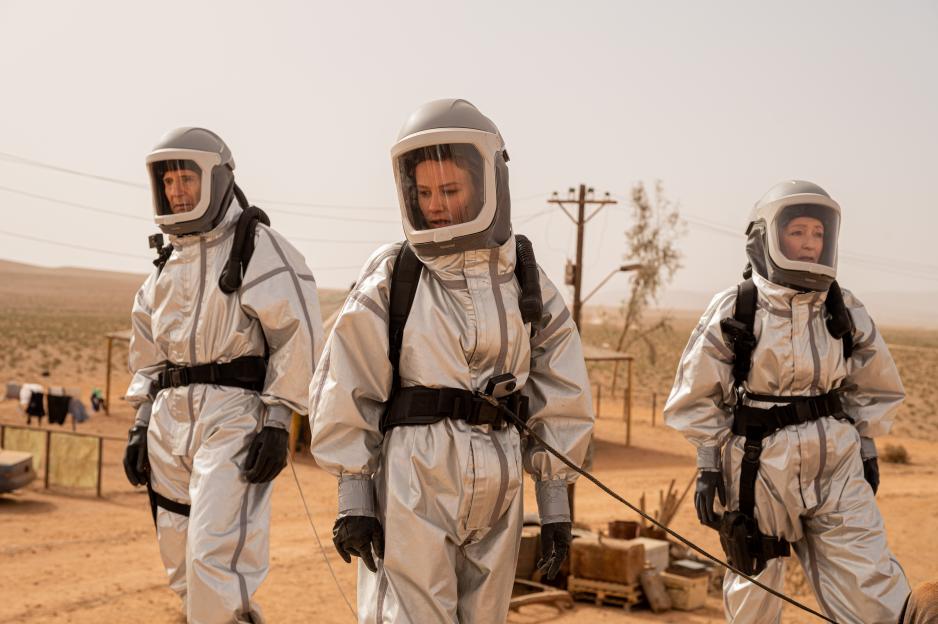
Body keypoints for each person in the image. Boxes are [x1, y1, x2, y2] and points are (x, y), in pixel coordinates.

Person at [309, 99, 594, 623]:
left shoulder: (525, 278)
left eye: (450, 190)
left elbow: (562, 390)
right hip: (415, 476)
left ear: (488, 184)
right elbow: (346, 382)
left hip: (501, 478)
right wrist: (354, 497)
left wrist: (555, 505)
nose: (436, 204)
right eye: (424, 192)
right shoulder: (395, 274)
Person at [664, 180, 910, 623]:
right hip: (758, 466)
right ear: (768, 236)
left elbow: (874, 386)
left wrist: (868, 447)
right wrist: (708, 465)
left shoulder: (843, 307)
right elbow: (696, 397)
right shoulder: (737, 309)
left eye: (818, 234)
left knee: (870, 581)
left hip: (837, 463)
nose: (810, 244)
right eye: (798, 232)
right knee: (755, 588)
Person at [122, 127, 323, 623]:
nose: (175, 191)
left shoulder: (259, 248)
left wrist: (279, 421)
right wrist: (140, 423)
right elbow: (148, 354)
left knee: (215, 554)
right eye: (167, 182)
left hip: (233, 417)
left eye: (185, 178)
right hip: (168, 424)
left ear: (216, 180)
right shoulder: (164, 266)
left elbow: (297, 335)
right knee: (180, 558)